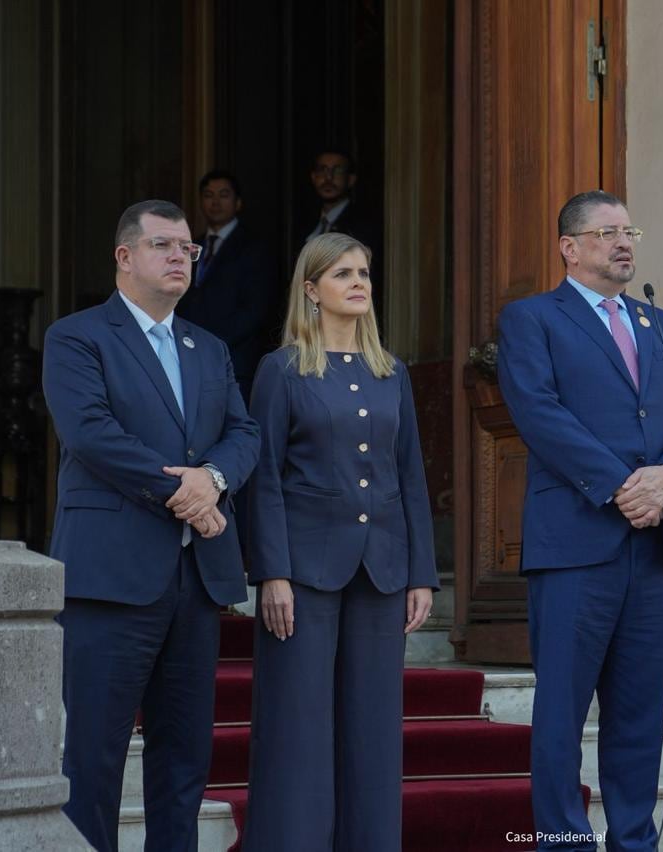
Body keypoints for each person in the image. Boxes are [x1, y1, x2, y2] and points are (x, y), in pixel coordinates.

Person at [42, 199, 260, 851]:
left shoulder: (208, 347)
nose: (178, 258)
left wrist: (213, 481)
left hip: (194, 583)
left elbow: (242, 433)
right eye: (164, 245)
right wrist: (185, 490)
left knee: (184, 758)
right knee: (95, 758)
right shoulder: (77, 337)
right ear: (125, 256)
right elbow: (91, 434)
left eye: (188, 249)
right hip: (110, 578)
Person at [497, 189, 663, 851]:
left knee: (639, 712)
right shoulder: (533, 319)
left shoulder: (662, 327)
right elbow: (538, 412)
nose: (624, 243)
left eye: (628, 230)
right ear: (570, 246)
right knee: (562, 711)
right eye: (607, 232)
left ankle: (633, 840)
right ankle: (562, 841)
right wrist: (622, 485)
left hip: (649, 549)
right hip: (575, 545)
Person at [240, 232, 438, 851]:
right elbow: (263, 475)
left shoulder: (391, 372)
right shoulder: (282, 369)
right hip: (303, 572)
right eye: (343, 273)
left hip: (381, 569)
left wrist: (421, 574)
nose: (359, 283)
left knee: (373, 730)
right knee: (297, 728)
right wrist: (271, 572)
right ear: (311, 290)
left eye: (364, 273)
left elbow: (411, 475)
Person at [175, 169, 278, 403]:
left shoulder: (255, 248)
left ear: (238, 202)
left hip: (235, 360)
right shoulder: (191, 245)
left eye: (223, 195)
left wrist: (210, 343)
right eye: (209, 195)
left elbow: (255, 310)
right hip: (188, 358)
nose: (215, 202)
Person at [304, 149, 383, 320]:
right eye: (322, 170)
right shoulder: (304, 223)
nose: (328, 178)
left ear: (351, 179)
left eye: (337, 170)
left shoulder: (363, 226)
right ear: (313, 176)